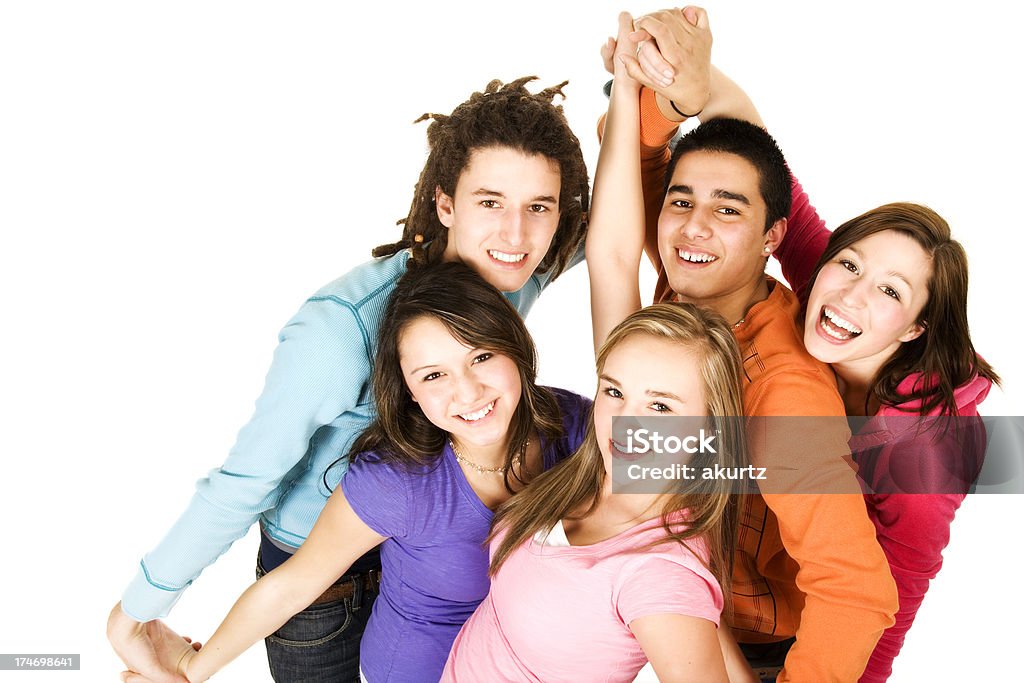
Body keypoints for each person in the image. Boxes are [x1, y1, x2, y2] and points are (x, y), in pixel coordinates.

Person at [107, 76, 590, 683]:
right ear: (446, 205)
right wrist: (139, 613)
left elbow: (623, 227)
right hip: (324, 581)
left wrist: (660, 103)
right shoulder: (341, 334)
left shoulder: (521, 271)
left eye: (538, 207)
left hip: (429, 561)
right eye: (490, 202)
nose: (516, 236)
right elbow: (245, 483)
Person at [627, 12, 1000, 679]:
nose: (854, 294)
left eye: (891, 292)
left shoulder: (922, 451)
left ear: (916, 326)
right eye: (850, 264)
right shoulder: (814, 288)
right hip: (703, 595)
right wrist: (679, 82)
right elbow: (742, 151)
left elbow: (881, 593)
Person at [589, 9, 897, 681]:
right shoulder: (694, 285)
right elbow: (633, 162)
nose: (694, 227)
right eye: (681, 201)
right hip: (675, 591)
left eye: (728, 209)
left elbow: (857, 589)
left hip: (758, 649)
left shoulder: (783, 391)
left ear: (772, 238)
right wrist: (671, 91)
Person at [121, 260, 592, 683]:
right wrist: (190, 672)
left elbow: (658, 488)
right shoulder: (396, 481)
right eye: (433, 375)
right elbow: (292, 584)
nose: (467, 392)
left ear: (517, 347)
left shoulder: (572, 424)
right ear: (409, 390)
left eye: (482, 357)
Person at [443, 302, 750, 683]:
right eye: (614, 391)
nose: (624, 422)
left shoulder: (660, 573)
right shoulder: (581, 477)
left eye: (660, 406)